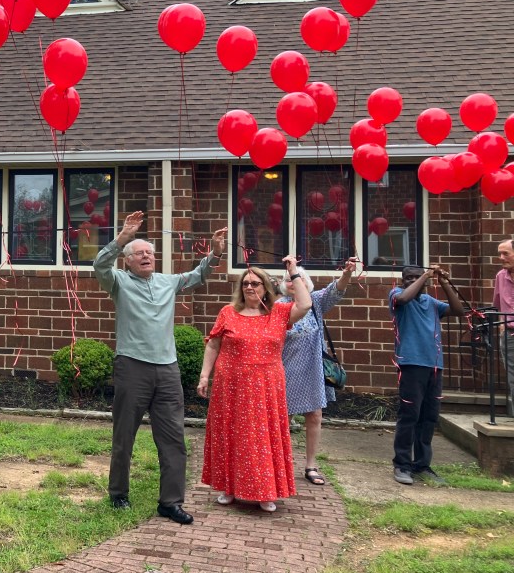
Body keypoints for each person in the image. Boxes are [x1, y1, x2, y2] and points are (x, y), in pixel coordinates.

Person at [93, 210, 227, 526]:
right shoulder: (118, 282)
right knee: (124, 436)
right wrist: (121, 239)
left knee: (173, 439)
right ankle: (118, 493)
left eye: (150, 253)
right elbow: (99, 265)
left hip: (168, 370)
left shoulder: (167, 282)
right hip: (132, 367)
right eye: (139, 253)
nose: (146, 257)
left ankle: (171, 503)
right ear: (127, 261)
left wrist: (215, 253)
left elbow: (198, 275)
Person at [198, 257, 311, 513]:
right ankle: (229, 487)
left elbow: (305, 304)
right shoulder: (228, 313)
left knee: (262, 436)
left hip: (266, 385)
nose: (250, 287)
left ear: (266, 288)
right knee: (231, 434)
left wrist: (293, 272)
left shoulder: (279, 313)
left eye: (255, 283)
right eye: (246, 283)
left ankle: (265, 491)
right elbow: (214, 344)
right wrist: (205, 376)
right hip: (231, 384)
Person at [277, 258, 358, 486]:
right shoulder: (279, 306)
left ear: (307, 282)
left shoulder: (316, 302)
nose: (293, 281)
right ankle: (281, 464)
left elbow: (336, 290)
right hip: (286, 370)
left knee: (314, 416)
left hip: (313, 370)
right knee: (283, 419)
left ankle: (311, 466)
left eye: (298, 277)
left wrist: (346, 273)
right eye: (289, 279)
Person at [390, 264, 464, 486]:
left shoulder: (431, 302)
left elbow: (458, 311)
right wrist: (425, 275)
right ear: (402, 280)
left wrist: (443, 282)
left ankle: (422, 464)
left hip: (434, 365)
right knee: (409, 415)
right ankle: (402, 464)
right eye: (409, 278)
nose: (413, 280)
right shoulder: (396, 295)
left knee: (429, 417)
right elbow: (404, 298)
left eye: (417, 277)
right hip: (411, 364)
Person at [492, 239, 514, 416]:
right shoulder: (500, 276)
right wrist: (502, 326)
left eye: (505, 253)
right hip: (509, 335)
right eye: (500, 253)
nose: (501, 257)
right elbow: (497, 304)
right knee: (513, 377)